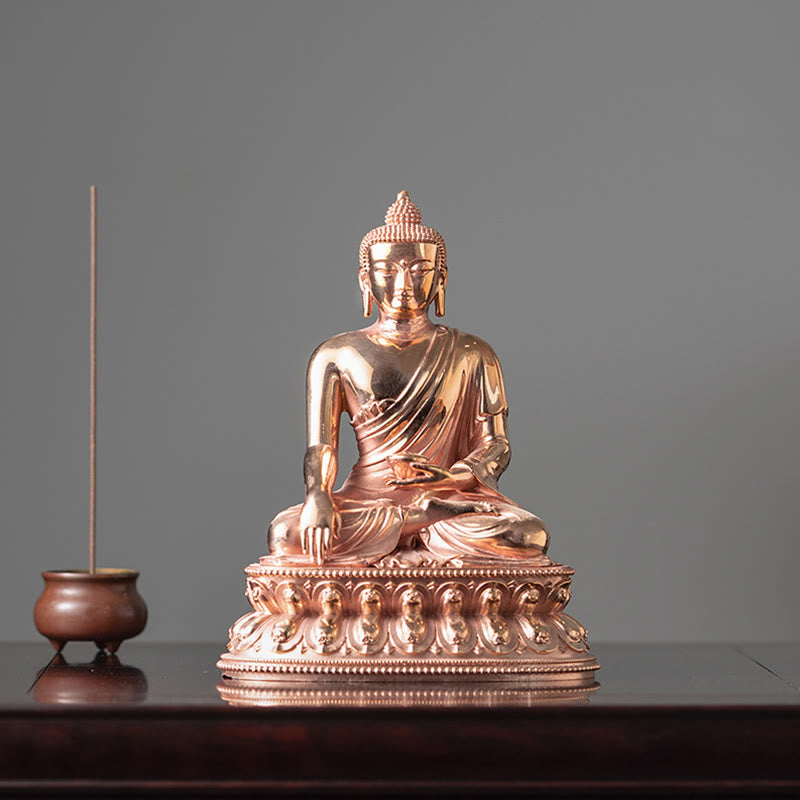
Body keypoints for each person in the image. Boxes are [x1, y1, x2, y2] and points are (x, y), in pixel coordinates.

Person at [267, 192, 549, 565]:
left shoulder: (472, 353)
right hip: (368, 498)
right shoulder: (335, 355)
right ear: (366, 280)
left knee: (527, 534)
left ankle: (427, 516)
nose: (403, 283)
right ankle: (420, 520)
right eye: (388, 271)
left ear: (441, 279)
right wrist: (317, 495)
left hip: (450, 495)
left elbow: (496, 446)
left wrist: (448, 480)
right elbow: (322, 448)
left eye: (419, 271)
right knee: (286, 533)